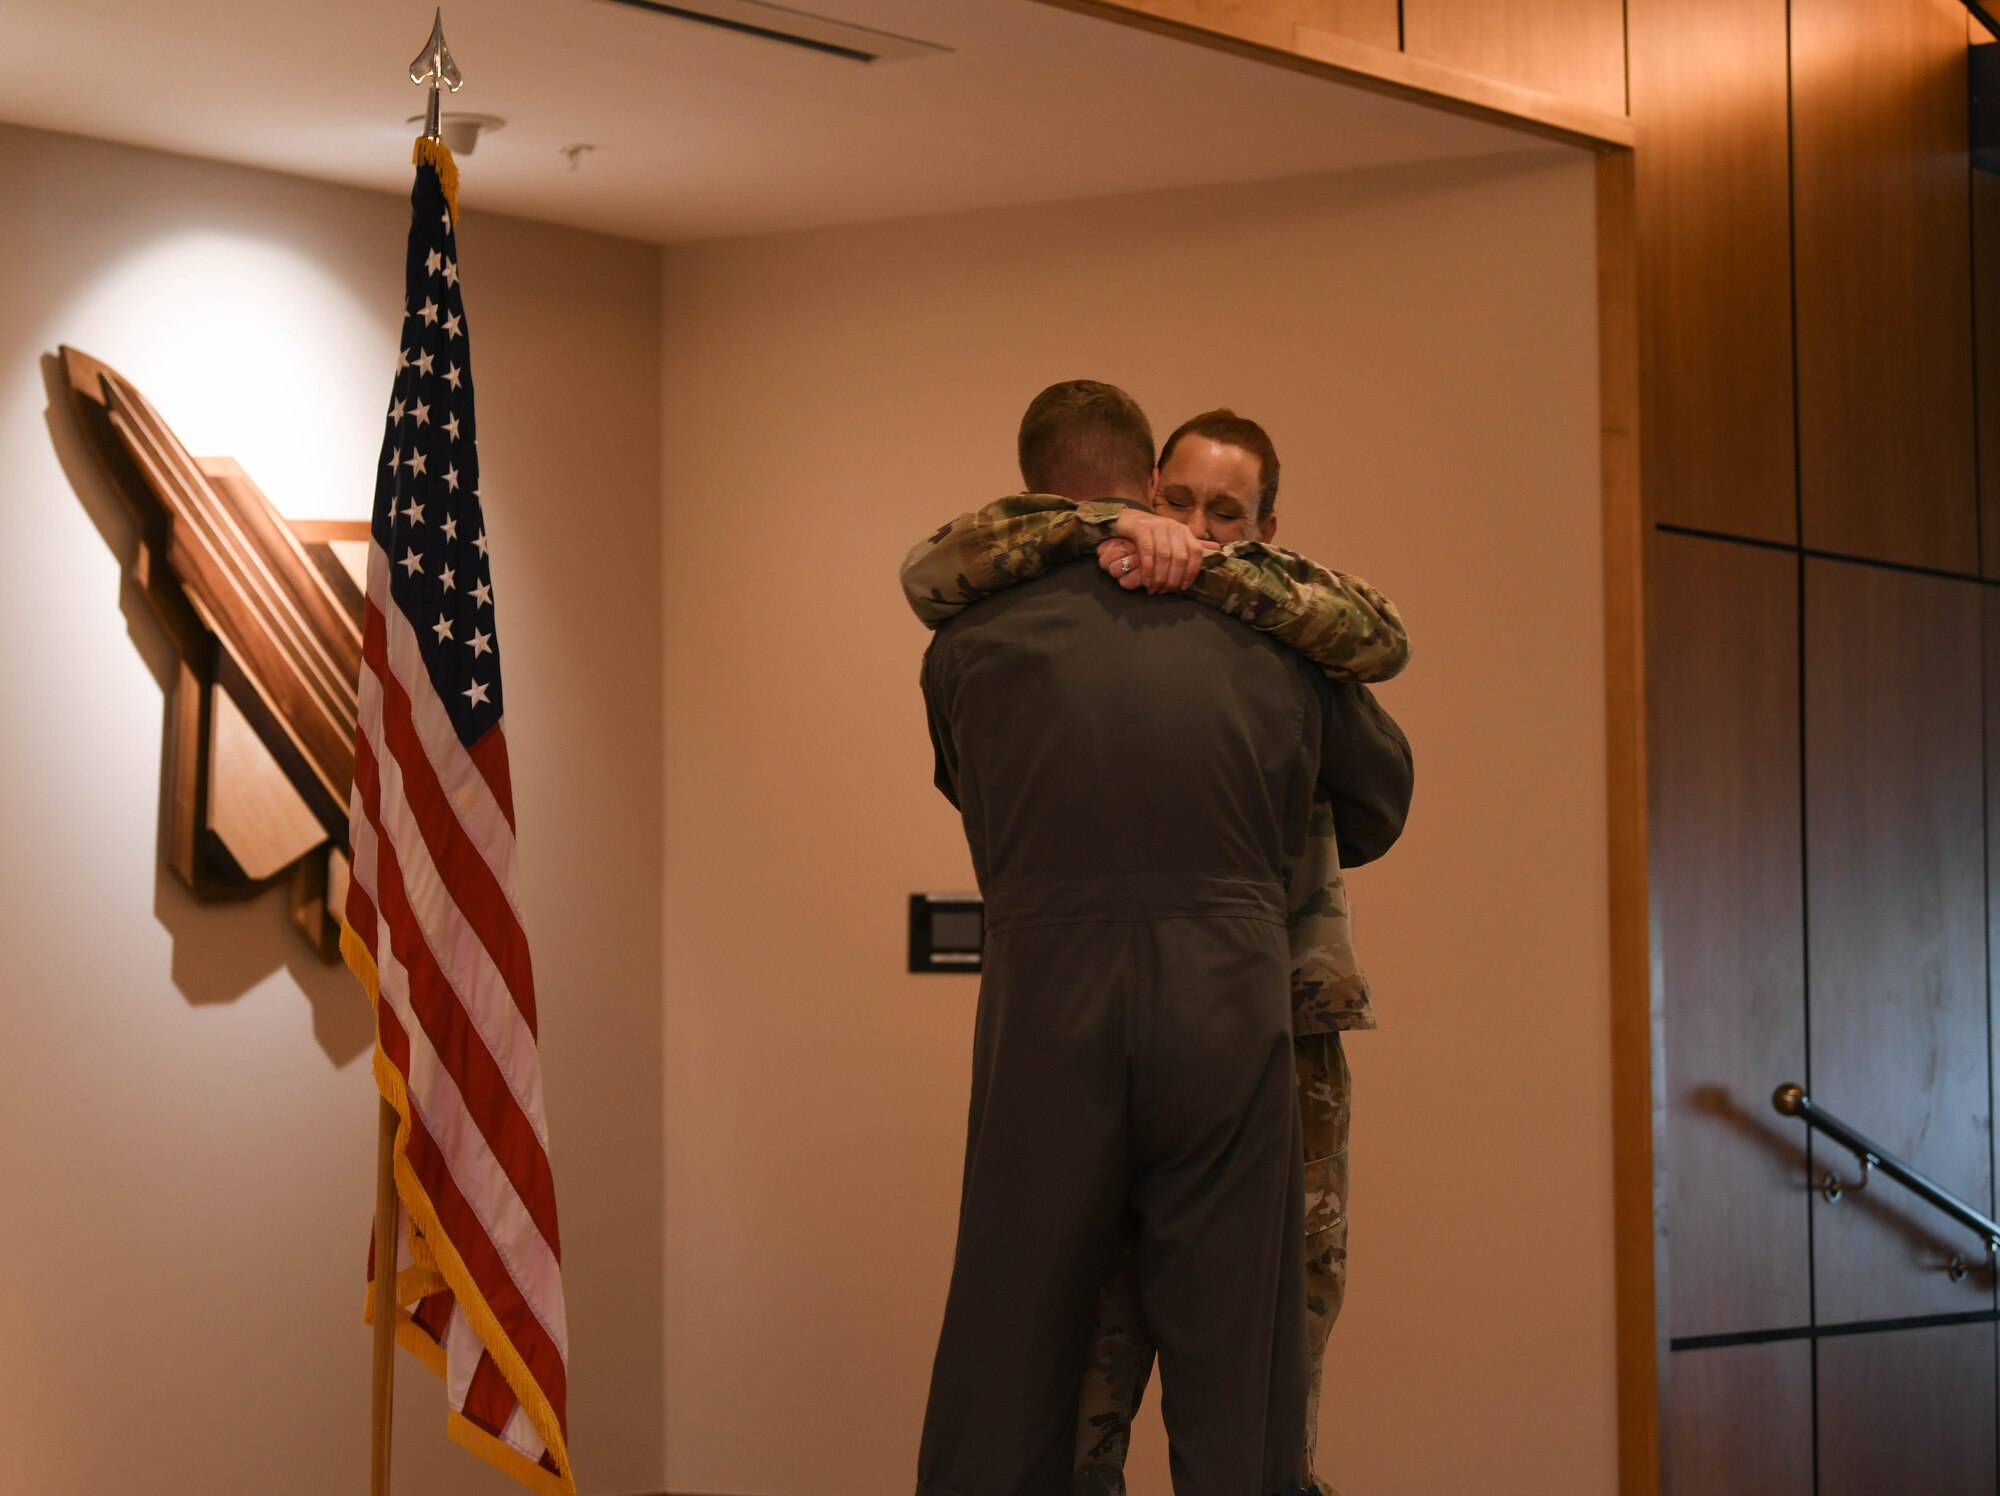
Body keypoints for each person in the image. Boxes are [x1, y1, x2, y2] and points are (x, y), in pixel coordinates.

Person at [913, 381, 1412, 1496]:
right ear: (1141, 486)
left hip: (1044, 1004)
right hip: (1227, 1002)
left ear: (1035, 491)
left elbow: (971, 791)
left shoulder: (965, 643)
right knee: (1240, 1362)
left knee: (1010, 1347)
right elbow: (1382, 799)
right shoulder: (1274, 640)